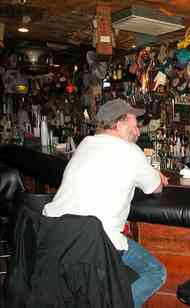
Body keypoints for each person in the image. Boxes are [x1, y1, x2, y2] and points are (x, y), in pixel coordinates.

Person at [43, 98, 168, 308]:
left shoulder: (85, 144)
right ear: (118, 125)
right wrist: (158, 177)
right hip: (98, 244)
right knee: (155, 272)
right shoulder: (130, 152)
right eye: (134, 125)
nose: (138, 131)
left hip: (55, 238)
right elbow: (156, 187)